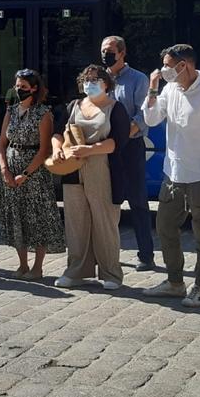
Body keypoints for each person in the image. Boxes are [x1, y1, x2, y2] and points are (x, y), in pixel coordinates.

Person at [142, 44, 200, 307]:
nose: (165, 70)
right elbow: (152, 118)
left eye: (169, 65)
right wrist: (153, 88)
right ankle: (174, 282)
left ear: (185, 65)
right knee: (165, 226)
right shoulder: (169, 89)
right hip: (174, 172)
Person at [52, 65, 130, 289]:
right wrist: (57, 149)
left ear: (106, 83)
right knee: (76, 221)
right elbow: (58, 132)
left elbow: (117, 142)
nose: (90, 84)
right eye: (87, 80)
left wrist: (90, 149)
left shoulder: (116, 109)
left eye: (95, 80)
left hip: (102, 166)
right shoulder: (73, 105)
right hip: (73, 168)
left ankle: (111, 273)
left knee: (104, 221)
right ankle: (76, 270)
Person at [0, 69, 64, 280]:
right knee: (16, 218)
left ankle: (38, 267)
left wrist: (25, 174)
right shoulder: (11, 111)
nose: (19, 90)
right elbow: (1, 143)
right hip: (10, 169)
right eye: (17, 86)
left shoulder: (43, 114)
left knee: (36, 219)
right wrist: (4, 169)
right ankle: (22, 264)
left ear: (34, 89)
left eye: (24, 87)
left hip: (34, 173)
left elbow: (44, 150)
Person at [101, 35, 155, 271]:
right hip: (103, 147)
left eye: (110, 50)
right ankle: (108, 252)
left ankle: (146, 255)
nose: (105, 54)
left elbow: (143, 114)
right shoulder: (99, 78)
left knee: (137, 201)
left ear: (122, 53)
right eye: (103, 50)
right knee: (106, 201)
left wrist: (122, 136)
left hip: (130, 146)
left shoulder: (138, 79)